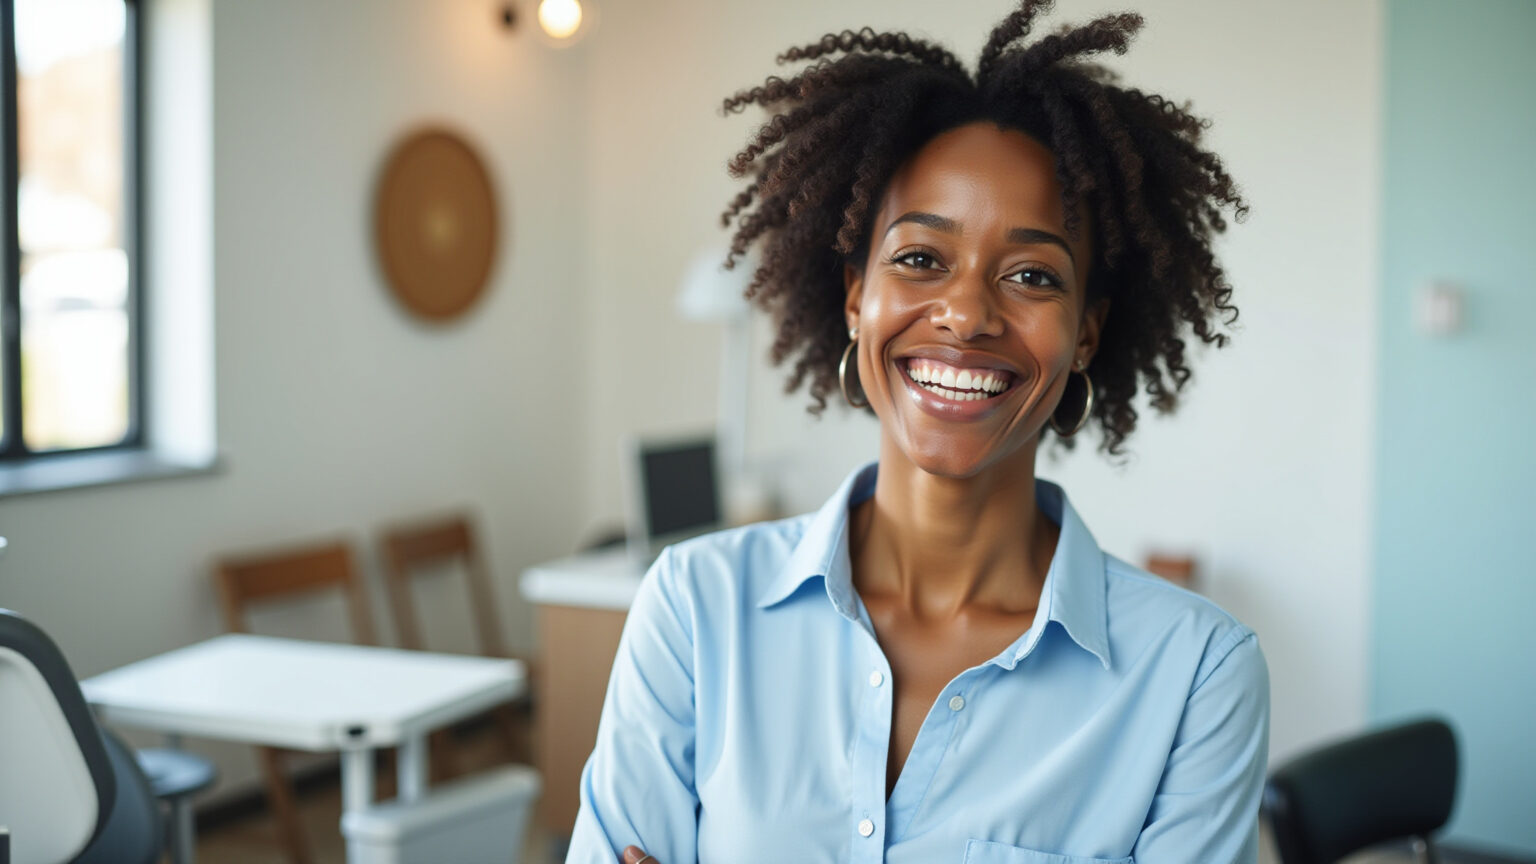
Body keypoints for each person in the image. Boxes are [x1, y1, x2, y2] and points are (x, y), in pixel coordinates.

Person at [568, 2, 1267, 862]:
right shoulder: (693, 611)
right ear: (857, 296)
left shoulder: (1197, 676)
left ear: (1086, 330)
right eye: (920, 259)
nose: (967, 313)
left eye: (1032, 274)